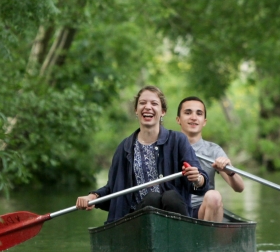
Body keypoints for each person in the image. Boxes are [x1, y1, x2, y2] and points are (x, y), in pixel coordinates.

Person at [76, 86, 208, 223]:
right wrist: (92, 197)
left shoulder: (178, 140)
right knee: (152, 198)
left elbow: (202, 181)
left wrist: (197, 179)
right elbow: (113, 190)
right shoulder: (124, 148)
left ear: (162, 111)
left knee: (170, 196)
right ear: (136, 110)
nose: (148, 107)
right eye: (143, 103)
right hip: (139, 220)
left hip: (174, 214)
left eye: (154, 103)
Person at [176, 96, 244, 222]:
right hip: (174, 210)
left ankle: (207, 240)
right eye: (188, 112)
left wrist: (230, 171)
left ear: (204, 121)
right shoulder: (169, 147)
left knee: (214, 195)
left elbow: (239, 188)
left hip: (203, 212)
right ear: (178, 119)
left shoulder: (213, 150)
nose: (193, 117)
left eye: (199, 113)